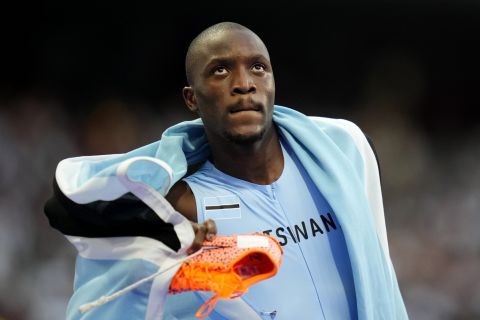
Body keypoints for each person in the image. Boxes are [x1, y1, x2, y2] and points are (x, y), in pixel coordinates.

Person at [44, 22, 408, 320]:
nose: (243, 83)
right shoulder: (180, 210)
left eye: (258, 67)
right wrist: (162, 274)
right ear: (192, 98)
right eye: (220, 70)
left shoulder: (342, 155)